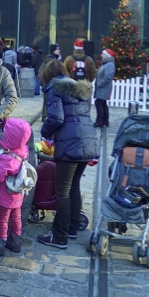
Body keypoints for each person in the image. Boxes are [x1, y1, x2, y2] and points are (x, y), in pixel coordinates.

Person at [36, 59, 98, 249]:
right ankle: (71, 228)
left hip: (70, 144)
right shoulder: (78, 88)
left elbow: (56, 117)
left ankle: (59, 236)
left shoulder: (55, 88)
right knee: (74, 186)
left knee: (62, 190)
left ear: (47, 75)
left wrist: (45, 133)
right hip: (87, 142)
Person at [0, 117, 33, 257]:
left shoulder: (8, 159)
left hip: (6, 195)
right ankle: (16, 242)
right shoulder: (24, 150)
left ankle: (0, 245)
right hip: (18, 194)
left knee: (3, 219)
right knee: (17, 217)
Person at [93, 48, 116, 128]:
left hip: (103, 88)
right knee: (103, 104)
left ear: (107, 55)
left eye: (103, 54)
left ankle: (100, 121)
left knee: (98, 103)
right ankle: (105, 121)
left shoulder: (109, 64)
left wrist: (100, 83)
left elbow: (108, 77)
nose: (101, 55)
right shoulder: (105, 64)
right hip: (102, 88)